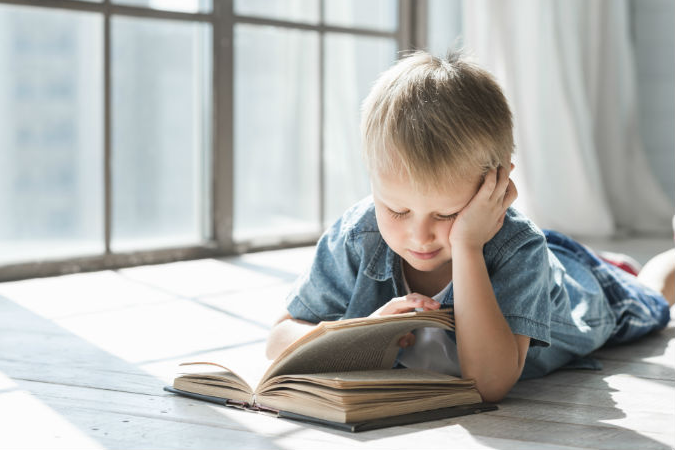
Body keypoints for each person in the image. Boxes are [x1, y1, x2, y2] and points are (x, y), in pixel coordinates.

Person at [264, 50, 673, 403]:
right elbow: (278, 341)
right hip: (531, 249)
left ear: (497, 186)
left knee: (655, 293)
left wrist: (467, 246)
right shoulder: (357, 236)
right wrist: (363, 334)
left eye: (446, 214)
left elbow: (489, 383)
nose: (420, 236)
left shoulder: (517, 250)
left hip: (578, 292)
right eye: (398, 210)